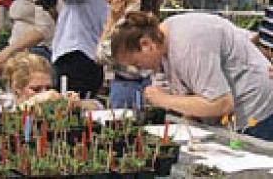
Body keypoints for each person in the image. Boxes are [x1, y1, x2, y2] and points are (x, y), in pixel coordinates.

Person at [111, 12, 273, 140]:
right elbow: (193, 90)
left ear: (146, 44)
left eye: (137, 63)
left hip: (256, 111)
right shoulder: (163, 41)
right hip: (234, 117)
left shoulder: (188, 43)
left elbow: (221, 103)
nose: (139, 69)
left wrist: (163, 99)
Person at [27, 0, 108, 98]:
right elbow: (74, 25)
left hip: (81, 61)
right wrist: (53, 12)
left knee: (72, 109)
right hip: (72, 59)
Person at [95, 0, 164, 108]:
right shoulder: (145, 7)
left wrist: (111, 21)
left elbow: (101, 54)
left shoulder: (129, 18)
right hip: (141, 84)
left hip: (128, 85)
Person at [1, 51, 103, 110]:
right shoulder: (6, 110)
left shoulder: (53, 106)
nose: (45, 93)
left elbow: (98, 106)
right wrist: (35, 101)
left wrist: (77, 104)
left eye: (48, 88)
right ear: (17, 89)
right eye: (36, 89)